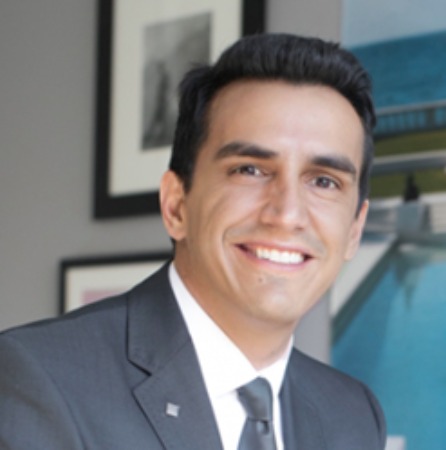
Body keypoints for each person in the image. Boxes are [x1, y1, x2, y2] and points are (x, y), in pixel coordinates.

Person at [0, 33, 386, 449]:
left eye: (324, 181)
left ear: (354, 229)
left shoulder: (353, 414)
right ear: (176, 205)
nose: (287, 214)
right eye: (249, 170)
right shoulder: (38, 377)